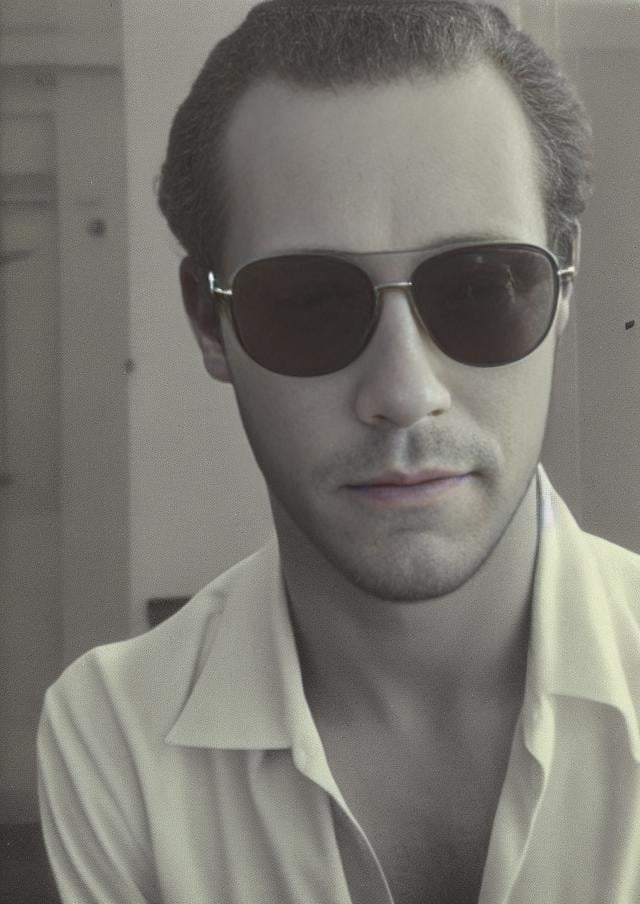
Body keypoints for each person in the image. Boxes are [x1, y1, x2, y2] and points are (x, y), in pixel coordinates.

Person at [37, 2, 640, 902]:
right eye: (310, 301)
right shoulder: (115, 733)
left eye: (479, 286)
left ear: (560, 286)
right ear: (210, 321)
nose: (403, 391)